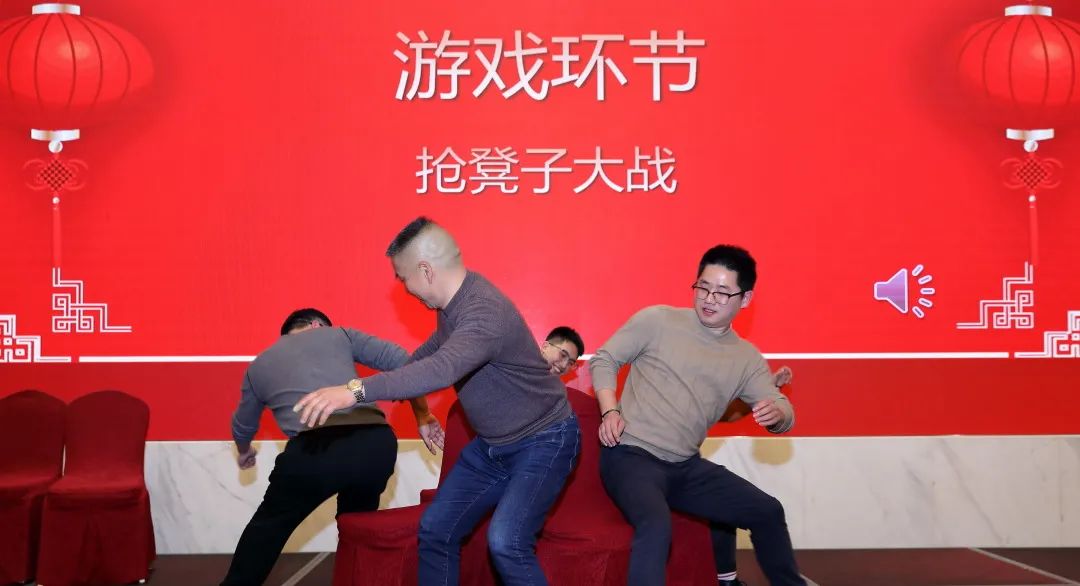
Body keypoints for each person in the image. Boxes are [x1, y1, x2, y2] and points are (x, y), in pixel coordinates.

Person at [295, 217, 580, 586]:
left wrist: (353, 391)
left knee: (506, 542)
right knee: (436, 529)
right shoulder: (451, 308)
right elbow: (424, 361)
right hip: (493, 447)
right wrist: (421, 412)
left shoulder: (484, 312)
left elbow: (441, 368)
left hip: (544, 441)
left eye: (403, 278)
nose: (405, 288)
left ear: (425, 270)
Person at [590, 244, 805, 586]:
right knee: (656, 525)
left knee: (767, 511)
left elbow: (783, 408)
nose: (709, 298)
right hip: (630, 456)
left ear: (745, 299)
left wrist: (778, 414)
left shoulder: (746, 358)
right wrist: (610, 411)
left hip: (684, 467)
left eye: (722, 292)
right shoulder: (657, 320)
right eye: (703, 287)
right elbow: (605, 359)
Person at [222, 308, 443, 586]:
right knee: (357, 526)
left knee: (269, 527)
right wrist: (422, 415)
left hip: (313, 452)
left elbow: (242, 425)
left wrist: (244, 451)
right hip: (374, 443)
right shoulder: (340, 334)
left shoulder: (259, 365)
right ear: (318, 325)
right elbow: (405, 363)